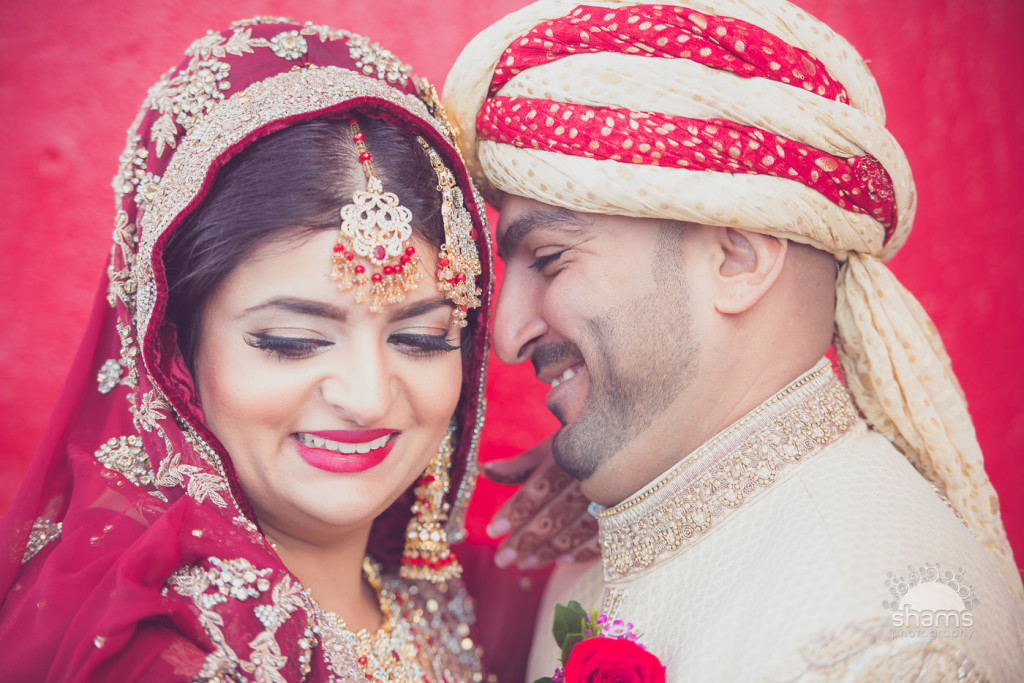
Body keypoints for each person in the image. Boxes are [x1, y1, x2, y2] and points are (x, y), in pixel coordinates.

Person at [445, 0, 1024, 679]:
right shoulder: (616, 534)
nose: (506, 337)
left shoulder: (886, 648)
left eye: (549, 260)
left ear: (737, 259)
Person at [0, 18, 494, 681]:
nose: (368, 396)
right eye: (293, 342)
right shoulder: (152, 655)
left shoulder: (433, 599)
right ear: (174, 353)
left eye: (420, 338)